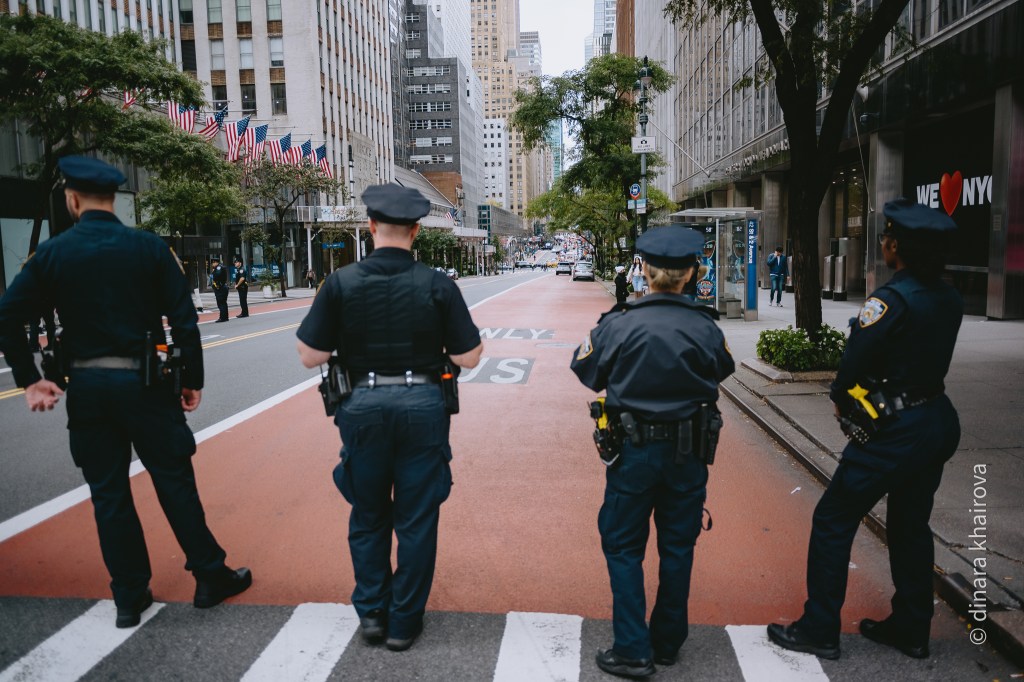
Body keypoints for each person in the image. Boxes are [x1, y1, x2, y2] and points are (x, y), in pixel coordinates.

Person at [0, 156, 251, 628]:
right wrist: (191, 379)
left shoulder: (54, 254)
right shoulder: (149, 249)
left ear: (72, 200)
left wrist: (29, 378)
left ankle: (129, 596)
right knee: (174, 481)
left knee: (108, 493)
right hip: (146, 382)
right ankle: (209, 576)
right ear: (114, 200)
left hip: (88, 388)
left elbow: (7, 316)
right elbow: (183, 321)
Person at [767, 199, 962, 661]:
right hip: (935, 419)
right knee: (911, 525)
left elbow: (854, 362)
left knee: (834, 518)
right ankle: (912, 628)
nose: (883, 243)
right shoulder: (949, 296)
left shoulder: (890, 300)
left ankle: (819, 627)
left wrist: (841, 400)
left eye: (886, 238)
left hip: (894, 429)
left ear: (897, 245)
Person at [296, 182, 483, 652]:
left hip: (362, 407)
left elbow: (309, 354)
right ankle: (404, 622)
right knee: (417, 520)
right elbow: (470, 357)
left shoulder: (340, 283)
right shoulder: (439, 285)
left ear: (371, 226)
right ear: (417, 231)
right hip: (423, 407)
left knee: (369, 514)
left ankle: (373, 615)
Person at [570, 225, 735, 679]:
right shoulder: (706, 327)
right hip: (688, 454)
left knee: (623, 546)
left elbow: (584, 369)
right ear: (690, 274)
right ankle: (666, 643)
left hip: (634, 452)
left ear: (642, 269)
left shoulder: (620, 323)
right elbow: (723, 369)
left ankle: (631, 648)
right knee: (678, 547)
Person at [210, 256, 229, 322]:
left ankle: (222, 318)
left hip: (220, 288)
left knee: (221, 303)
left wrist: (213, 272)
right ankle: (225, 317)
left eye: (213, 263)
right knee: (223, 303)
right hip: (222, 287)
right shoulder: (220, 267)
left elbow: (217, 275)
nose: (212, 264)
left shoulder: (218, 267)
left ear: (216, 262)